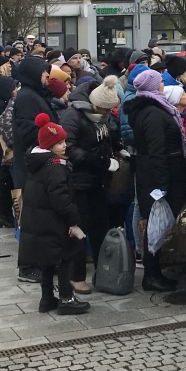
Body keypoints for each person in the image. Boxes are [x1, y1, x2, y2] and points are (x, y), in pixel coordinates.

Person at [18, 114, 90, 315]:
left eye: (64, 141)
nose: (64, 145)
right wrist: (73, 220)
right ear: (49, 145)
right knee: (65, 259)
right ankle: (66, 299)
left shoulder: (36, 162)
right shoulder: (55, 167)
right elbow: (61, 199)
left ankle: (47, 298)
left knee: (47, 262)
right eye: (59, 143)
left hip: (40, 222)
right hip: (54, 223)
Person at [128, 70, 186, 292]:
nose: (163, 83)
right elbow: (157, 149)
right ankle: (152, 274)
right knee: (155, 223)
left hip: (158, 172)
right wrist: (161, 184)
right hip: (159, 175)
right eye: (160, 81)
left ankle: (155, 270)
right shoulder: (152, 113)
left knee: (157, 222)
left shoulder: (153, 107)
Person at [58, 79, 114, 295]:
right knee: (79, 228)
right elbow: (67, 147)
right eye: (105, 109)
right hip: (78, 180)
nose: (107, 113)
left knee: (101, 226)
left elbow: (106, 139)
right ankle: (76, 276)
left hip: (98, 179)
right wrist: (93, 158)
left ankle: (103, 271)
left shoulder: (101, 116)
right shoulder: (73, 115)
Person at [12, 55, 57, 283]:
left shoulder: (36, 94)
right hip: (32, 165)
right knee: (32, 220)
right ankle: (28, 267)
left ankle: (42, 262)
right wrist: (51, 133)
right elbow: (27, 131)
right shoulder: (27, 98)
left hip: (39, 163)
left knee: (42, 218)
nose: (48, 77)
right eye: (44, 73)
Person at [0, 74, 18, 228]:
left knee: (5, 183)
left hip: (3, 150)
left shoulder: (4, 102)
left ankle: (5, 215)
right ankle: (4, 215)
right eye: (13, 88)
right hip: (2, 151)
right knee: (4, 183)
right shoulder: (0, 106)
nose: (15, 90)